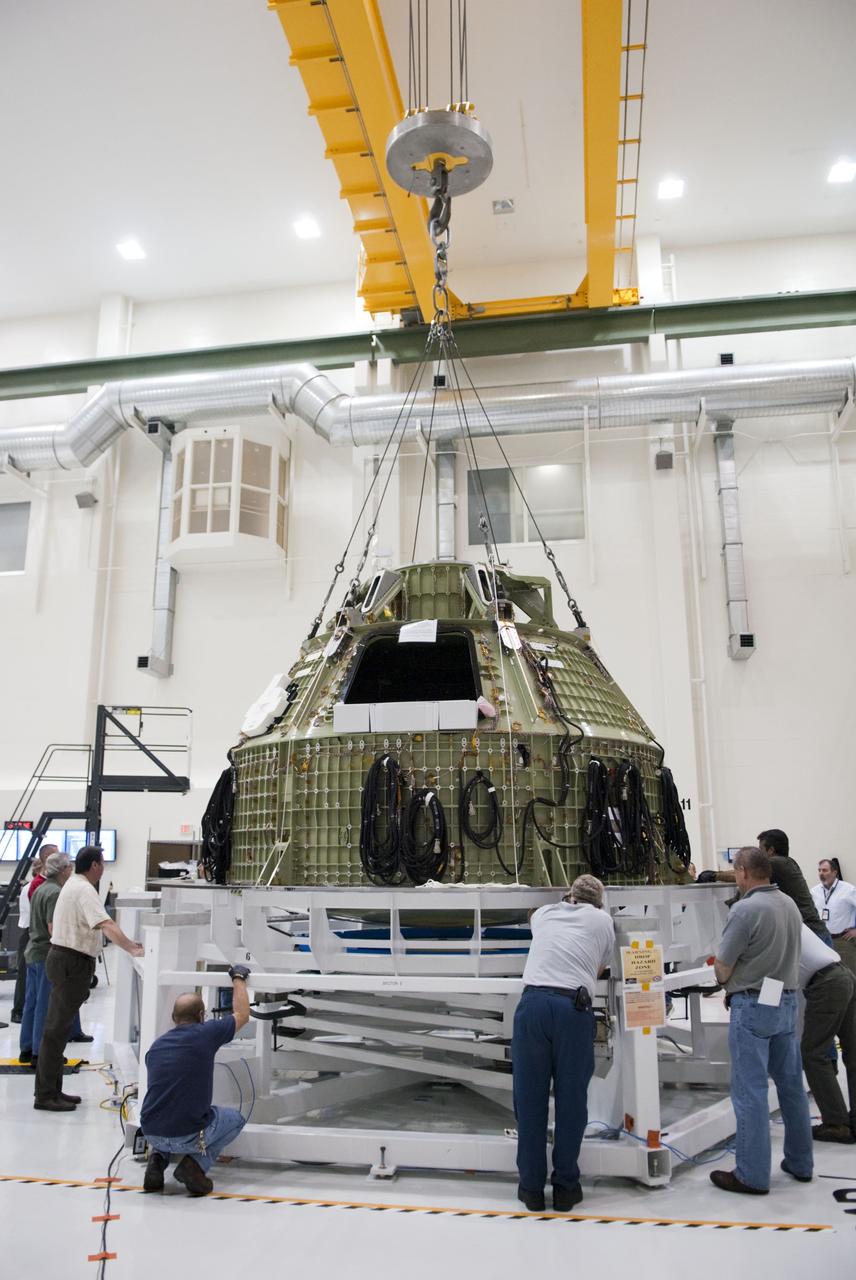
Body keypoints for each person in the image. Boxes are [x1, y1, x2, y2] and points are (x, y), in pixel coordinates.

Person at [709, 845, 813, 1195]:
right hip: (786, 1002)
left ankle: (751, 1175)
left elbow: (723, 967)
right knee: (791, 1086)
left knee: (750, 1091)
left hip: (753, 1005)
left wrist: (725, 980)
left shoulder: (745, 910)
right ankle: (801, 1162)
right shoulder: (789, 905)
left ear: (742, 872)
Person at [511, 874, 615, 1213]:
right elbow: (600, 966)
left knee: (529, 1099)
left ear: (570, 895)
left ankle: (530, 1189)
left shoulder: (545, 914)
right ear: (599, 903)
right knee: (571, 1101)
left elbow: (533, 917)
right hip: (573, 1009)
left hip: (533, 1006)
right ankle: (566, 1189)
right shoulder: (602, 921)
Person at [34, 845, 143, 1113]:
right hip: (70, 961)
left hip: (66, 959)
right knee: (56, 1030)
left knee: (58, 1029)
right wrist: (132, 948)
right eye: (102, 864)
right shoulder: (84, 889)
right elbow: (106, 924)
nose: (103, 869)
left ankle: (52, 1089)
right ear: (94, 865)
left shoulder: (74, 885)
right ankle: (45, 1095)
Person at [139, 965, 251, 1196]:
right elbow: (242, 1015)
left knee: (168, 1109)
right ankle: (194, 1166)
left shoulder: (156, 1046)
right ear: (201, 1016)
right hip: (188, 1135)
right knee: (235, 1119)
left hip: (151, 1131)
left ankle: (157, 1160)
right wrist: (239, 977)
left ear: (174, 1018)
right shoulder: (206, 1034)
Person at [798, 922, 856, 1143]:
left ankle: (836, 1124)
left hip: (826, 983)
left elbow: (774, 973)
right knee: (853, 1051)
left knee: (813, 1053)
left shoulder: (764, 921)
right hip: (843, 974)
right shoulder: (786, 914)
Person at [18, 851, 73, 1065]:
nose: (71, 870)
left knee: (31, 1002)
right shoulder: (56, 893)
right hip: (45, 955)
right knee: (45, 1004)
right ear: (62, 870)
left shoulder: (40, 888)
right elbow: (53, 928)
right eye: (69, 866)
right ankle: (40, 1052)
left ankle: (26, 1047)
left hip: (33, 951)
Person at [756, 829, 828, 939]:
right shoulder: (788, 862)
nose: (759, 854)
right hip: (815, 932)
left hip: (811, 935)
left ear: (771, 850)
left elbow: (747, 874)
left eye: (761, 849)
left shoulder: (775, 863)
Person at [10, 845, 53, 1022]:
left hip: (35, 932)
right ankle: (18, 1010)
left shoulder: (41, 885)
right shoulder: (35, 886)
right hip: (31, 933)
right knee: (24, 973)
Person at [810, 859, 856, 977]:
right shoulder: (814, 891)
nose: (821, 873)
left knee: (849, 975)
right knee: (828, 976)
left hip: (842, 940)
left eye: (825, 870)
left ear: (835, 873)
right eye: (819, 870)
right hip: (822, 941)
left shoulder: (848, 889)